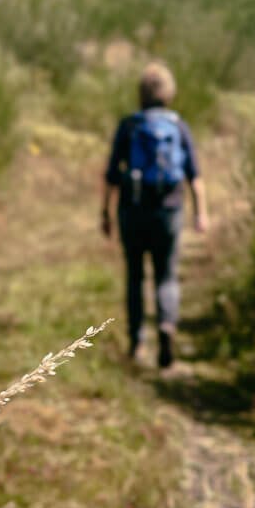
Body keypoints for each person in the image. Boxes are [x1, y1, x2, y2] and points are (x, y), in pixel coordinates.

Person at [101, 61, 208, 370]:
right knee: (166, 274)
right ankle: (166, 325)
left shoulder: (130, 126)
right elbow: (195, 177)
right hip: (169, 210)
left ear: (141, 94)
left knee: (135, 275)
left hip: (132, 210)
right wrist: (201, 213)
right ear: (169, 93)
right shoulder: (178, 126)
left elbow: (110, 175)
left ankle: (137, 342)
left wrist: (105, 213)